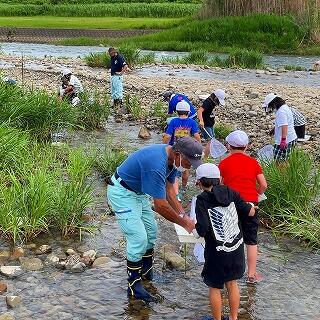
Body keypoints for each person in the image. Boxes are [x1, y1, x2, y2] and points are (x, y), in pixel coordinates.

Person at [107, 137, 203, 302]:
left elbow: (169, 190)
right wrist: (183, 223)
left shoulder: (172, 160)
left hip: (138, 193)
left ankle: (146, 272)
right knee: (138, 238)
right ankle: (134, 286)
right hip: (122, 193)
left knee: (151, 231)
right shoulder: (156, 165)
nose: (189, 167)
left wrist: (182, 214)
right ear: (179, 154)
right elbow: (160, 206)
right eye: (189, 162)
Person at [194, 163, 256, 320]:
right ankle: (234, 318)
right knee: (232, 283)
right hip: (236, 250)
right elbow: (249, 211)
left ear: (199, 183)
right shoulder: (232, 192)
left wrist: (194, 228)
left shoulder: (202, 200)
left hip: (216, 253)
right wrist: (252, 207)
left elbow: (202, 228)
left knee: (214, 287)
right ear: (219, 179)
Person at [218, 130, 267, 284]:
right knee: (251, 240)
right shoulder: (254, 162)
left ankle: (228, 272)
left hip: (231, 205)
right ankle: (251, 274)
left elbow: (219, 185)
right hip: (251, 204)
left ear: (228, 146)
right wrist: (257, 194)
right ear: (246, 147)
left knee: (230, 238)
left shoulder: (224, 163)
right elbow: (264, 184)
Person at [162, 101, 201, 200]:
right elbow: (196, 136)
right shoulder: (192, 122)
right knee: (186, 169)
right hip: (187, 149)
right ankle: (183, 188)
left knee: (174, 172)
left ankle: (176, 193)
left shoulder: (174, 121)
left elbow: (167, 136)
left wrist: (163, 146)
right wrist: (198, 147)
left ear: (177, 112)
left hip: (174, 150)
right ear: (188, 112)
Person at [263, 93, 297, 162]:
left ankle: (281, 173)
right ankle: (287, 172)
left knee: (279, 161)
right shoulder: (285, 107)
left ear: (274, 104)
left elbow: (285, 126)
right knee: (285, 159)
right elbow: (283, 123)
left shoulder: (281, 112)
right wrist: (274, 129)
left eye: (271, 106)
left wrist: (283, 140)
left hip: (287, 140)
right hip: (291, 138)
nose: (271, 109)